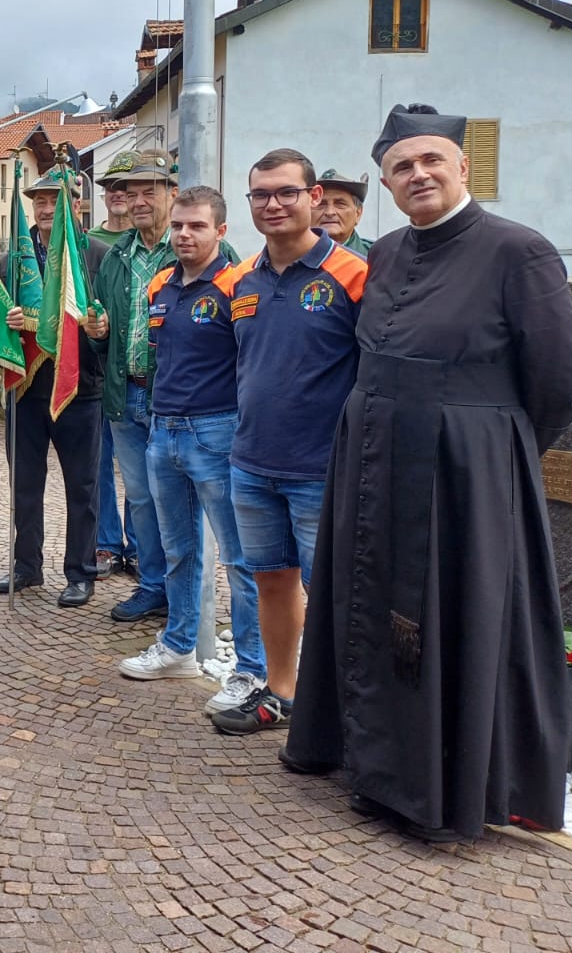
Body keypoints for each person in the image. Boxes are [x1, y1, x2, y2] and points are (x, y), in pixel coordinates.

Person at [285, 104, 572, 843]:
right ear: (385, 183)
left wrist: (486, 453)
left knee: (443, 618)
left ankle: (432, 787)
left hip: (461, 478)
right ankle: (371, 763)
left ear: (462, 168)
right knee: (367, 602)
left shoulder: (521, 251)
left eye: (430, 162)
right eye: (401, 167)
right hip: (377, 458)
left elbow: (555, 383)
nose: (417, 175)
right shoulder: (384, 253)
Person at [209, 148, 366, 737]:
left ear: (314, 197)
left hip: (321, 468)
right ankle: (281, 694)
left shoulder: (352, 276)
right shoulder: (241, 279)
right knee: (271, 579)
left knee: (334, 591)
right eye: (261, 195)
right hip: (251, 464)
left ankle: (344, 713)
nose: (273, 204)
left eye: (286, 193)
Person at [117, 186, 267, 716]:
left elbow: (254, 363)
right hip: (164, 430)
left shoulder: (238, 285)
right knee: (177, 548)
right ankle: (179, 646)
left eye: (197, 226)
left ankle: (252, 669)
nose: (185, 234)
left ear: (220, 232)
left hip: (217, 431)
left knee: (241, 558)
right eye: (179, 225)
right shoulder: (160, 285)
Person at [0, 172, 107, 608]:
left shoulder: (96, 255)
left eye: (54, 200)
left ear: (75, 206)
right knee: (24, 484)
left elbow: (105, 321)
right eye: (39, 201)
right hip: (25, 388)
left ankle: (80, 572)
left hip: (79, 388)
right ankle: (27, 566)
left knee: (82, 487)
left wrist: (99, 328)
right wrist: (5, 324)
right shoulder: (13, 261)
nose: (46, 209)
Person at [87, 151, 184, 623]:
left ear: (173, 194)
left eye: (151, 191)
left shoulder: (191, 245)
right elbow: (103, 328)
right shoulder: (116, 256)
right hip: (128, 395)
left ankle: (187, 595)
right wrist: (100, 334)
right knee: (142, 497)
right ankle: (152, 586)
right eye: (133, 192)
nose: (140, 201)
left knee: (181, 497)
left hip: (180, 400)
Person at [87, 155, 139, 580]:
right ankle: (106, 544)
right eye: (111, 186)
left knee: (138, 470)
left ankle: (137, 546)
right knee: (101, 464)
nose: (118, 193)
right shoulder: (87, 243)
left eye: (128, 186)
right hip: (98, 374)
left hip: (138, 377)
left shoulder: (149, 246)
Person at [314, 168, 372, 256]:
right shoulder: (290, 256)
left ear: (358, 213)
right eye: (321, 204)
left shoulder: (378, 257)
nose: (330, 212)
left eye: (340, 204)